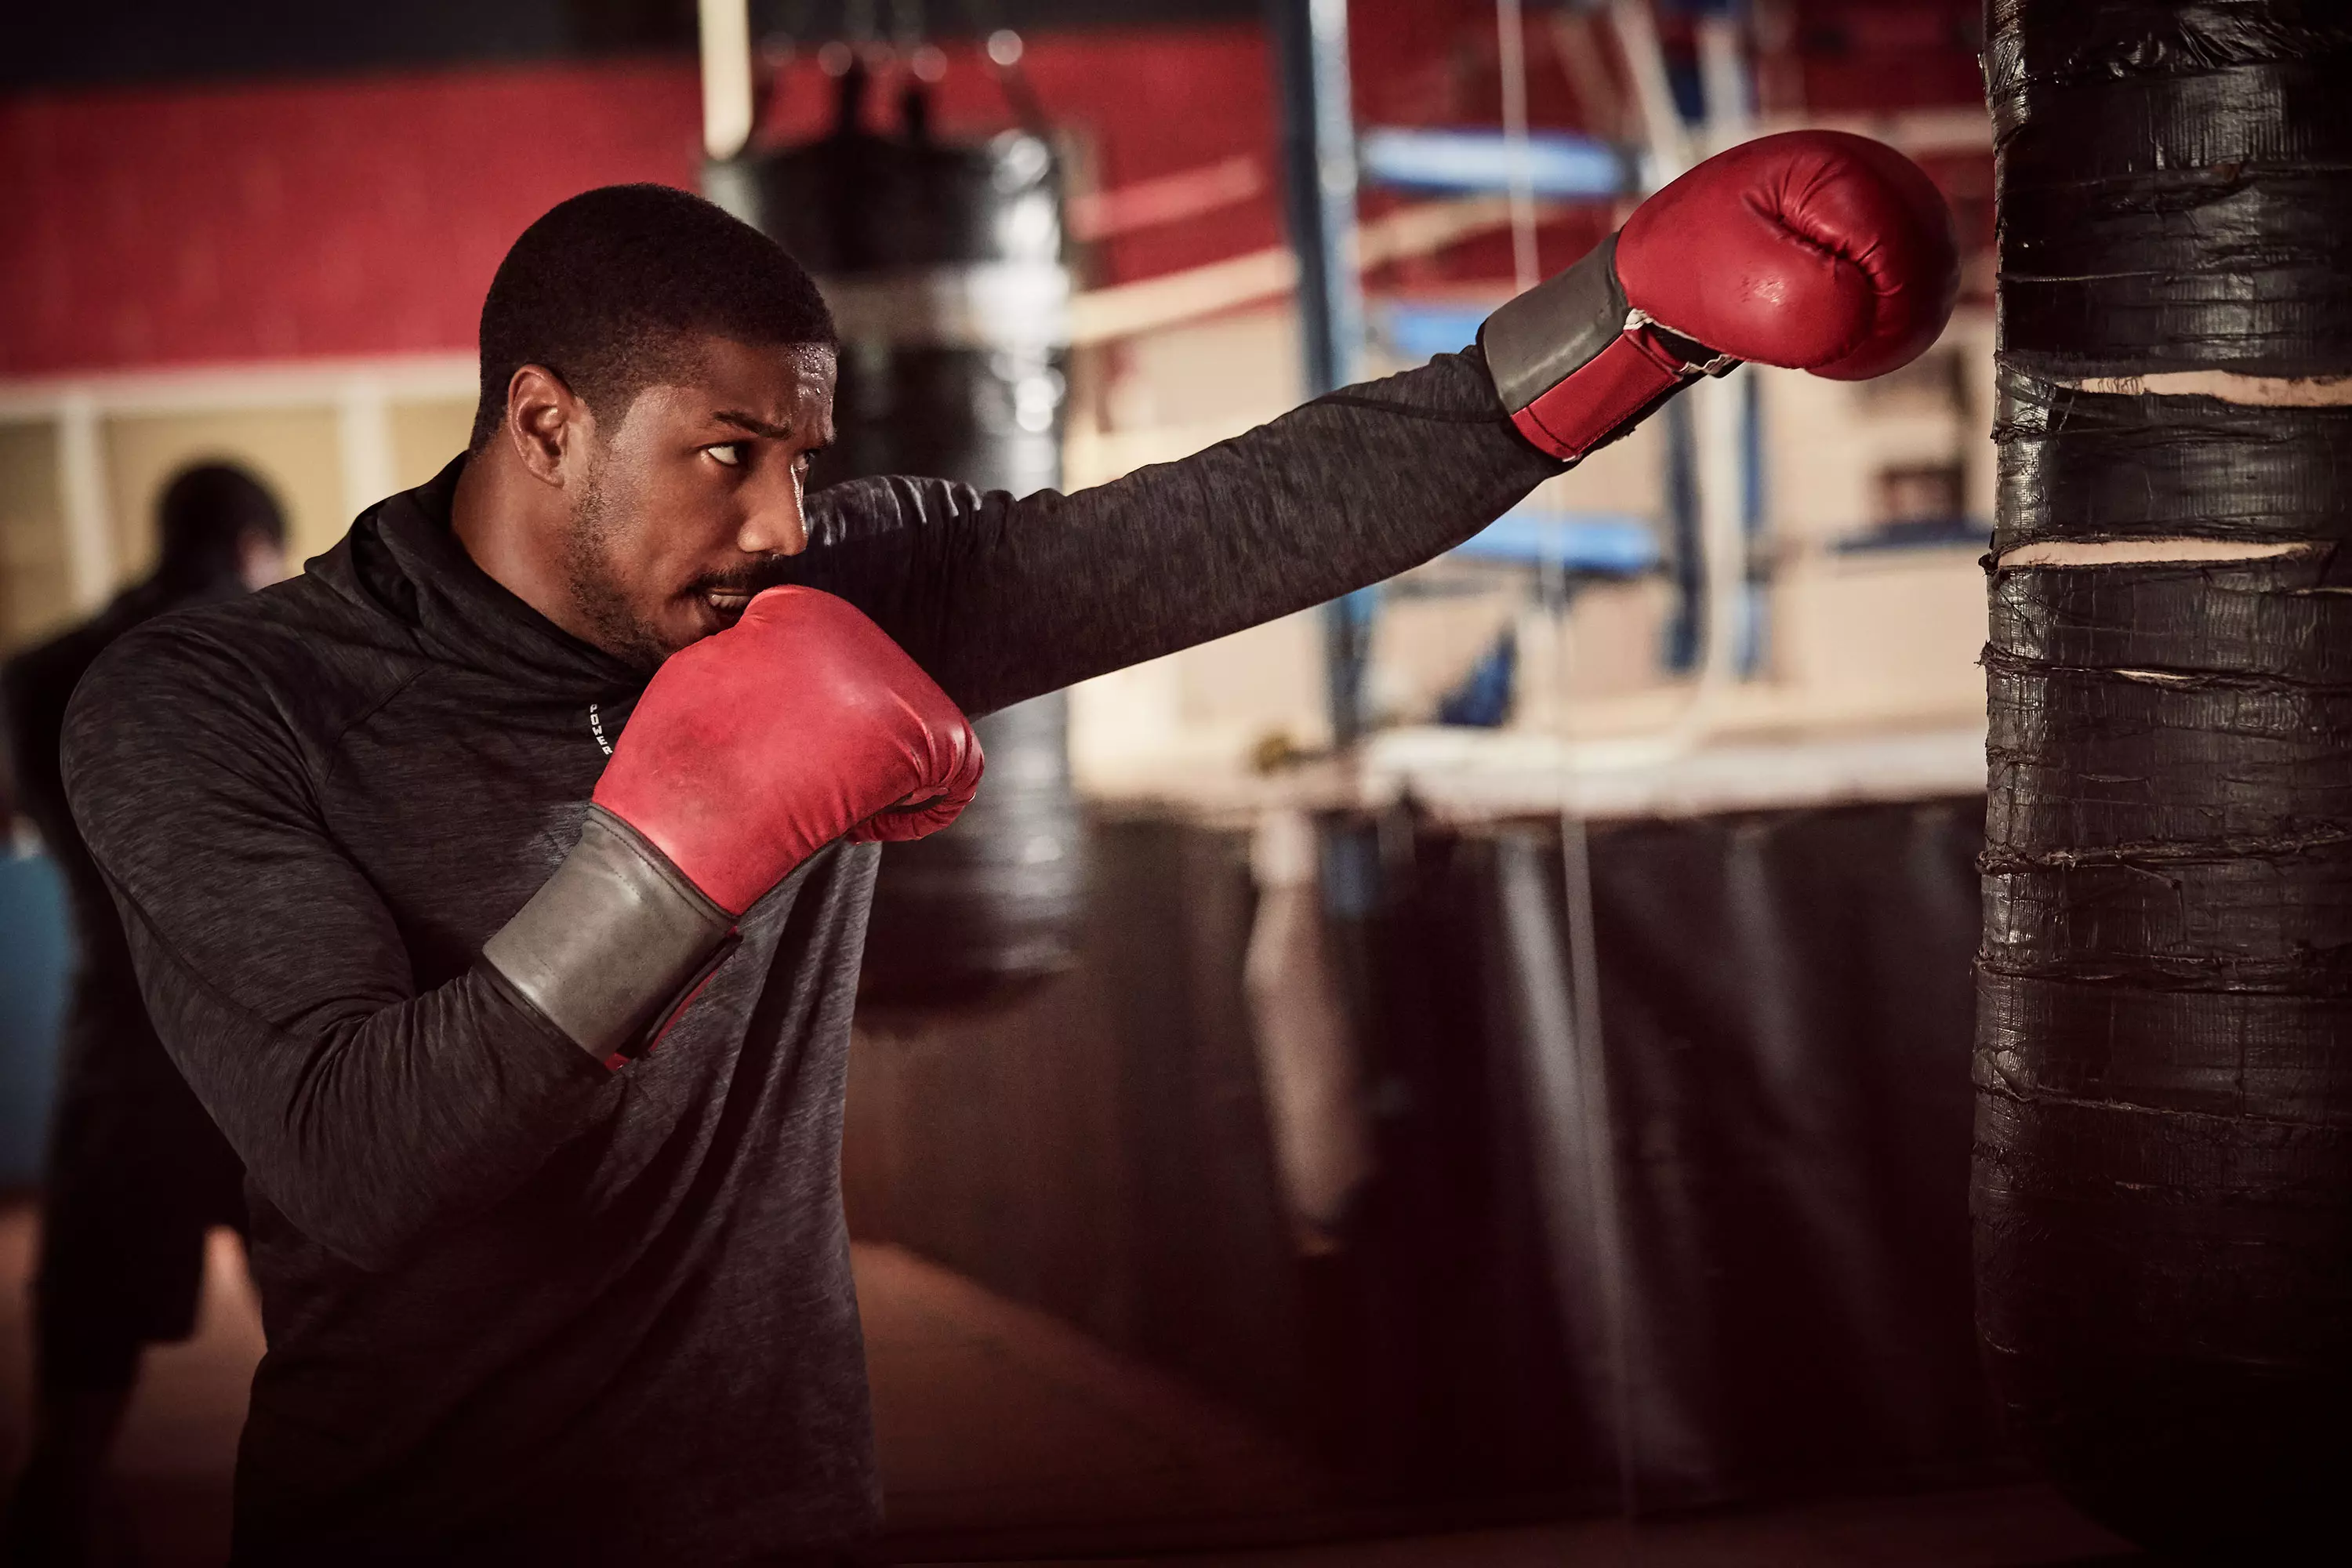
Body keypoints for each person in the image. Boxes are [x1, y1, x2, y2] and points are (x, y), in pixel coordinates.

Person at [57, 132, 1956, 1564]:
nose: (788, 527)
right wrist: (683, 850)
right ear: (544, 422)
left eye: (805, 457)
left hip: (786, 1500)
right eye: (729, 455)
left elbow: (1225, 523)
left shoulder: (826, 586)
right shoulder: (214, 707)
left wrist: (1622, 322)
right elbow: (359, 1156)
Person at [1, 464, 287, 1566]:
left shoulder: (36, 676)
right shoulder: (281, 645)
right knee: (337, 1379)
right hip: (269, 1061)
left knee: (72, 1418)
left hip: (119, 1061)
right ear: (253, 545)